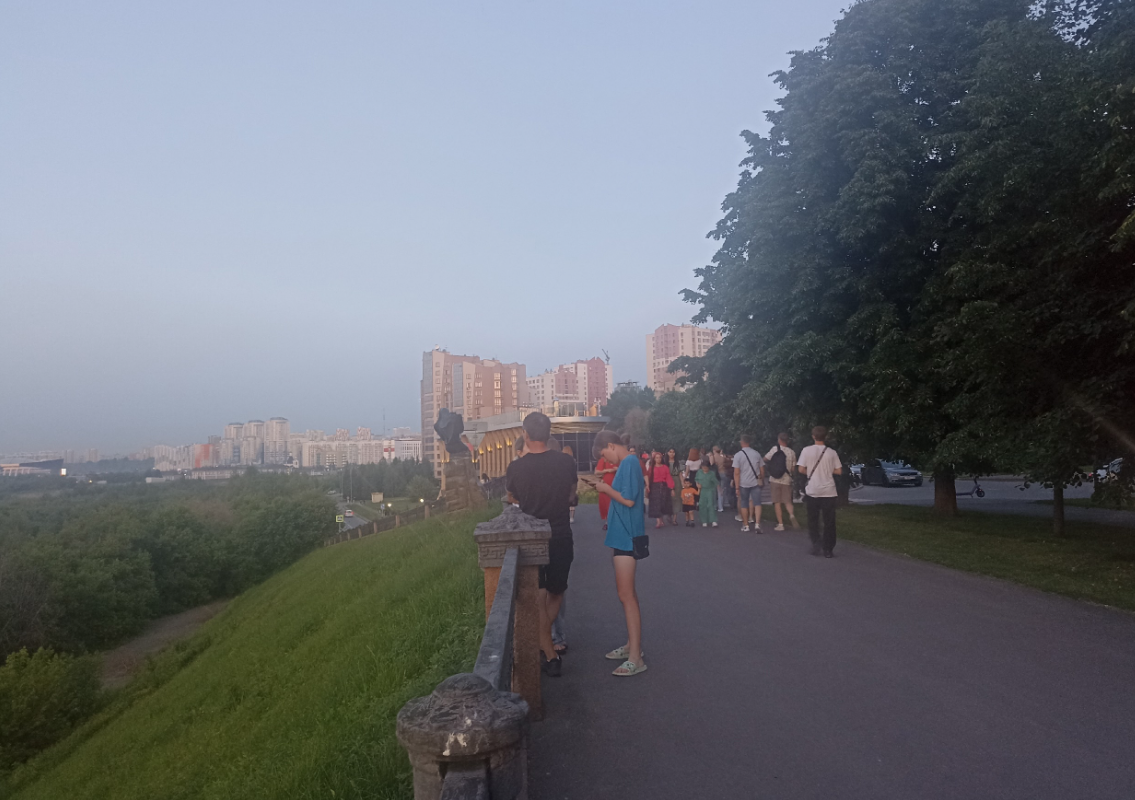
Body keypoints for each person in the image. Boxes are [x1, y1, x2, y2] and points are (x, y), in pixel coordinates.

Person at [505, 412, 578, 677]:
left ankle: (547, 649)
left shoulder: (516, 468)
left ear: (525, 435)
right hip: (560, 534)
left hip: (531, 538)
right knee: (557, 591)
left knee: (538, 594)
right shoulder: (566, 462)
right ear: (549, 434)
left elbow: (512, 497)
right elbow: (571, 494)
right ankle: (549, 651)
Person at [590, 431, 647, 677]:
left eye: (605, 454)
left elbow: (629, 500)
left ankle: (636, 657)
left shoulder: (630, 462)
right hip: (622, 535)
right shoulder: (627, 463)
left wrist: (605, 488)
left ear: (611, 445)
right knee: (627, 594)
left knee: (626, 596)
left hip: (626, 536)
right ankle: (632, 646)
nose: (607, 461)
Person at [797, 425, 844, 558]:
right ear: (825, 437)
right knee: (829, 521)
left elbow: (801, 469)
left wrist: (813, 471)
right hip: (829, 491)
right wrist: (827, 470)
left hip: (813, 490)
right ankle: (828, 549)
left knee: (813, 520)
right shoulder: (832, 452)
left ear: (813, 436)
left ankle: (816, 544)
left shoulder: (806, 450)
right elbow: (839, 471)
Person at [764, 433, 800, 531]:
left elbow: (765, 459)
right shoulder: (791, 452)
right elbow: (793, 469)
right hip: (787, 479)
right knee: (787, 501)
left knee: (777, 502)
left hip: (775, 479)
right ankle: (791, 515)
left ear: (779, 440)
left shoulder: (775, 449)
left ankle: (780, 524)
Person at [733, 434, 765, 533]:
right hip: (755, 482)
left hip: (743, 483)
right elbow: (762, 470)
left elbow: (736, 473)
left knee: (744, 503)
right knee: (757, 503)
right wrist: (761, 479)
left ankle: (746, 525)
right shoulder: (756, 454)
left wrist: (736, 487)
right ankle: (757, 524)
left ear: (741, 442)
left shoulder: (738, 455)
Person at [647, 451, 675, 529]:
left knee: (662, 503)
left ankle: (661, 519)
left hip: (663, 486)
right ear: (654, 459)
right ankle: (658, 521)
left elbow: (668, 478)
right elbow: (648, 478)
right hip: (654, 487)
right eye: (657, 458)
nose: (658, 459)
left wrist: (672, 488)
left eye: (659, 458)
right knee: (656, 504)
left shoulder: (665, 467)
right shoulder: (651, 468)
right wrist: (647, 486)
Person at [595, 453, 618, 532]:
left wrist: (617, 469)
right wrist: (608, 470)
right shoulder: (603, 460)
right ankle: (607, 521)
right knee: (606, 502)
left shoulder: (617, 461)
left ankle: (615, 521)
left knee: (615, 502)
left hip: (616, 483)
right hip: (606, 482)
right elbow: (597, 472)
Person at [696, 460, 719, 527]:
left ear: (709, 467)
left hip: (710, 490)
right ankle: (704, 521)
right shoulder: (699, 472)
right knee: (702, 505)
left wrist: (719, 490)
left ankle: (713, 520)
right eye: (703, 468)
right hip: (702, 490)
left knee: (710, 505)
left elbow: (716, 482)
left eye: (706, 468)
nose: (704, 469)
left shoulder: (712, 473)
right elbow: (696, 479)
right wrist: (697, 484)